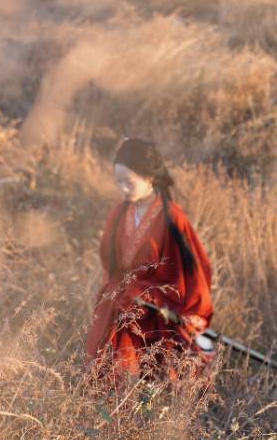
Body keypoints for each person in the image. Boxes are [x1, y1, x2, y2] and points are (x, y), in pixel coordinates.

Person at [86, 137, 215, 378]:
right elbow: (110, 262)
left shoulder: (172, 218)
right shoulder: (119, 213)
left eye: (129, 182)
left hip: (157, 307)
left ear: (150, 178)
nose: (123, 189)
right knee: (111, 368)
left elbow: (191, 273)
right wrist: (121, 291)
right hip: (122, 302)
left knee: (152, 374)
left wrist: (151, 296)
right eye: (119, 182)